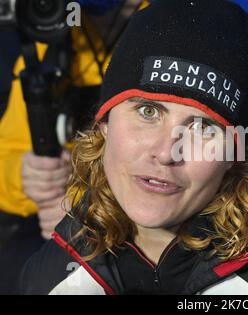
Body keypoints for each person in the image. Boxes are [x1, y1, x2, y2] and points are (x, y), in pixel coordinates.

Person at [19, 0, 248, 295]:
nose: (166, 152)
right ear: (104, 124)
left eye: (203, 126)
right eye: (148, 111)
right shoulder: (49, 275)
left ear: (235, 155)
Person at [0, 0, 148, 294]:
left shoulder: (173, 37)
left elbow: (181, 164)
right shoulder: (54, 36)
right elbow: (8, 150)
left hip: (136, 234)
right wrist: (25, 175)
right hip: (52, 227)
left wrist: (83, 207)